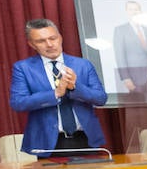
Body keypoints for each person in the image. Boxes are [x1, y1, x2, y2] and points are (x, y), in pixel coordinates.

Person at [9, 18, 108, 157]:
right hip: (48, 142)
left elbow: (101, 98)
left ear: (60, 38)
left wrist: (75, 87)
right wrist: (56, 93)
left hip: (85, 138)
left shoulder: (83, 65)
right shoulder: (23, 68)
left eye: (52, 38)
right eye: (41, 41)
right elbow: (18, 103)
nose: (49, 44)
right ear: (31, 44)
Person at [111, 0, 147, 103]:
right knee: (138, 108)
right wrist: (125, 77)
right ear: (127, 11)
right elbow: (119, 56)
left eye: (136, 9)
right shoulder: (120, 30)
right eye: (131, 9)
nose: (134, 11)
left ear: (140, 11)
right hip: (134, 76)